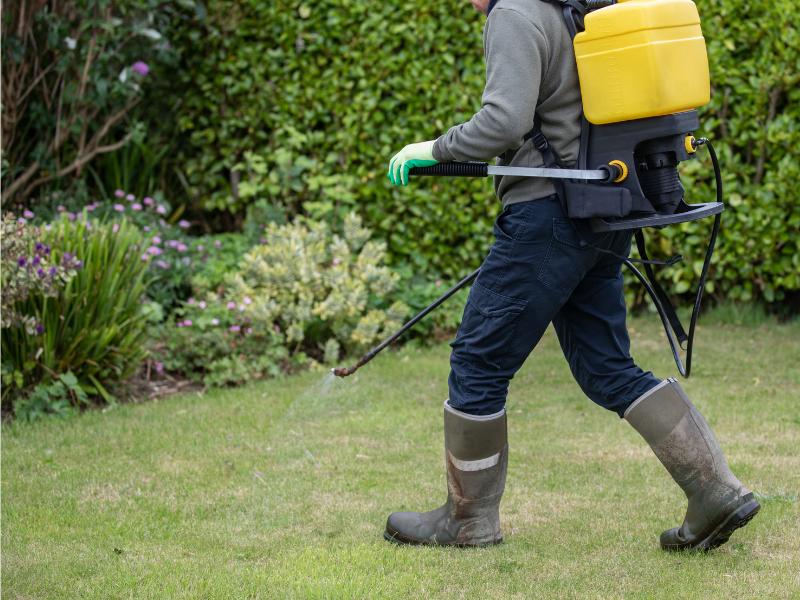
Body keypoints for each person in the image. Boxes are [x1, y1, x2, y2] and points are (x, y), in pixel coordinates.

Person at [383, 0, 759, 550]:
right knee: (606, 366)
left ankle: (467, 521)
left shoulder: (514, 13)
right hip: (606, 210)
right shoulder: (583, 8)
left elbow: (503, 121)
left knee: (478, 361)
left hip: (545, 218)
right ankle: (715, 492)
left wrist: (431, 148)